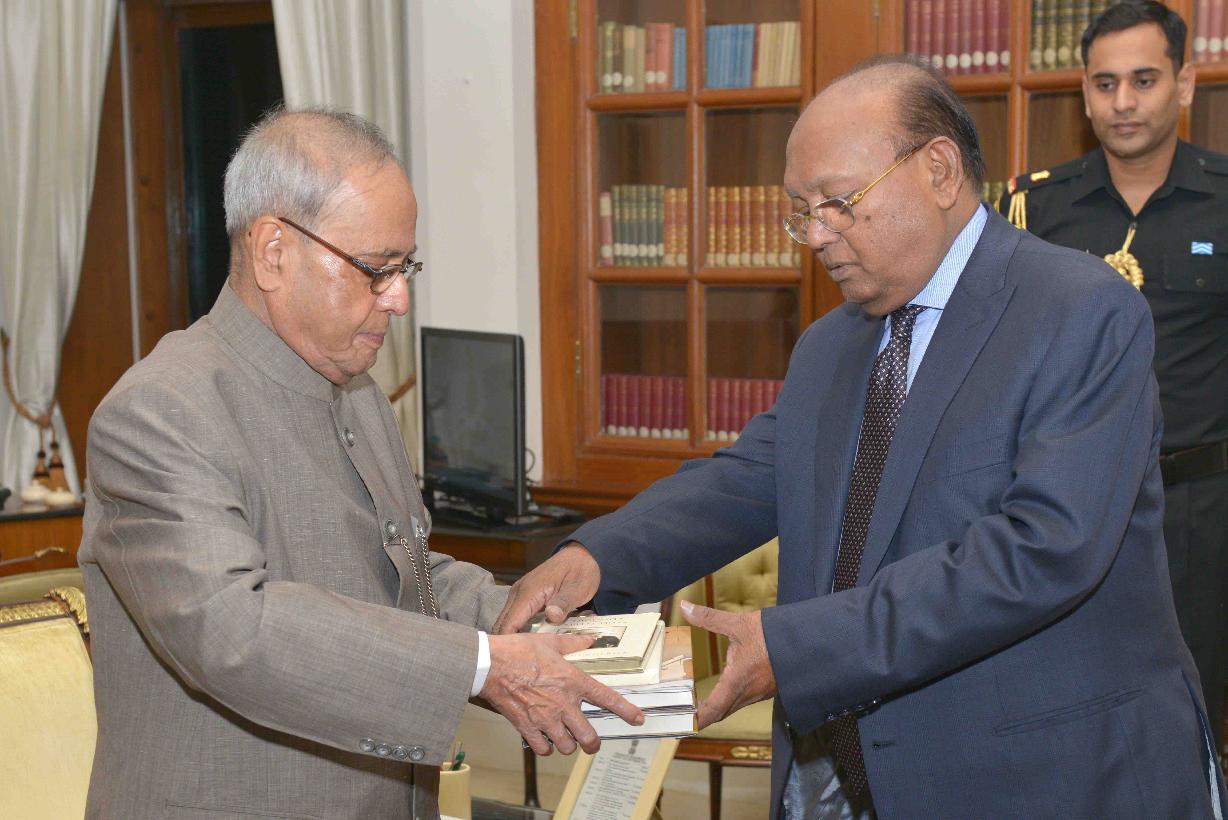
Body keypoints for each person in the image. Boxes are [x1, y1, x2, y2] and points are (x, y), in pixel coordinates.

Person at [496, 57, 1225, 818]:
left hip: (1049, 776)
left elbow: (1044, 549)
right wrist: (599, 557)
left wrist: (798, 649)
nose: (815, 235)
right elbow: (751, 476)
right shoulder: (832, 343)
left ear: (939, 170)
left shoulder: (1079, 310)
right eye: (800, 211)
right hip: (859, 770)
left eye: (838, 204)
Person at [77, 108, 640, 820]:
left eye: (406, 268)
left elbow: (402, 576)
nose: (399, 299)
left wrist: (531, 619)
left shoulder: (358, 393)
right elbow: (233, 630)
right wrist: (483, 665)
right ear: (273, 251)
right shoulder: (161, 410)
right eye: (376, 270)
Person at [998, 0, 1228, 748]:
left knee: (1194, 711)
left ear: (1184, 85)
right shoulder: (1034, 207)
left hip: (1200, 509)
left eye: (1144, 80)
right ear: (1085, 93)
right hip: (1061, 505)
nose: (1123, 102)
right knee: (1065, 710)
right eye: (1105, 84)